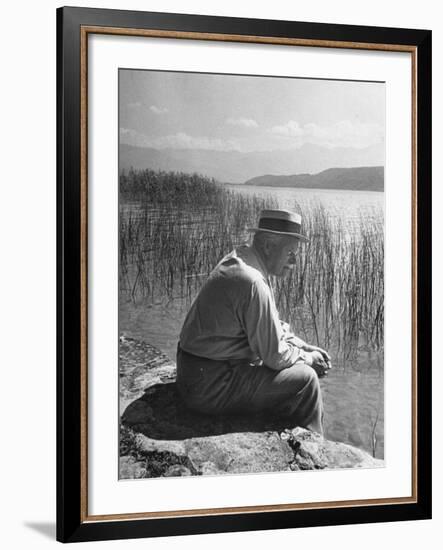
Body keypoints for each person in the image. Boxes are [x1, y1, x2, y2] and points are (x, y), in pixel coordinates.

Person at [176, 209, 331, 435]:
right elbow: (276, 357)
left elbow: (267, 326)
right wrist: (309, 359)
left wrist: (302, 345)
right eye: (290, 252)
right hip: (207, 388)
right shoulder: (253, 282)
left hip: (192, 374)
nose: (295, 261)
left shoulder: (241, 259)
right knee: (307, 380)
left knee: (286, 365)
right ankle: (315, 448)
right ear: (268, 245)